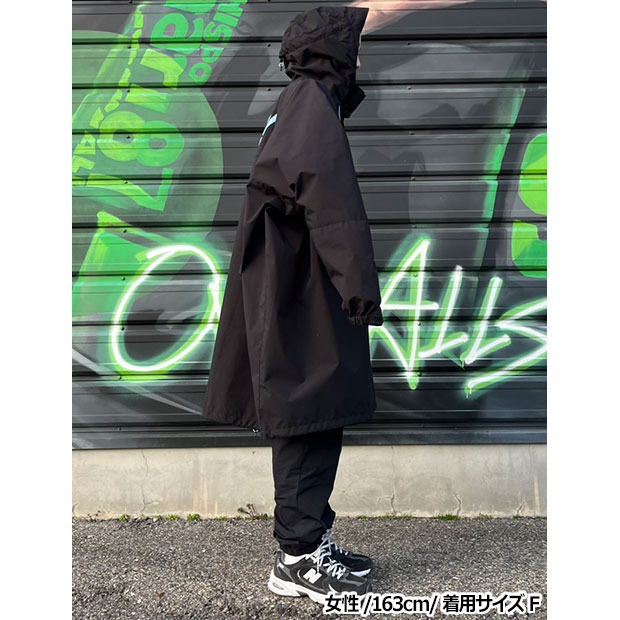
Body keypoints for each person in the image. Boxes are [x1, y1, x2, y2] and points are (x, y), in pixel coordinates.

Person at [202, 5, 382, 606]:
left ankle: (310, 540)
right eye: (355, 47)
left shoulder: (302, 102)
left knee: (314, 412)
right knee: (307, 416)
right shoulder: (311, 107)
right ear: (335, 53)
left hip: (292, 287)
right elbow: (331, 207)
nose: (361, 60)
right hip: (301, 292)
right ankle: (298, 559)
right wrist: (359, 288)